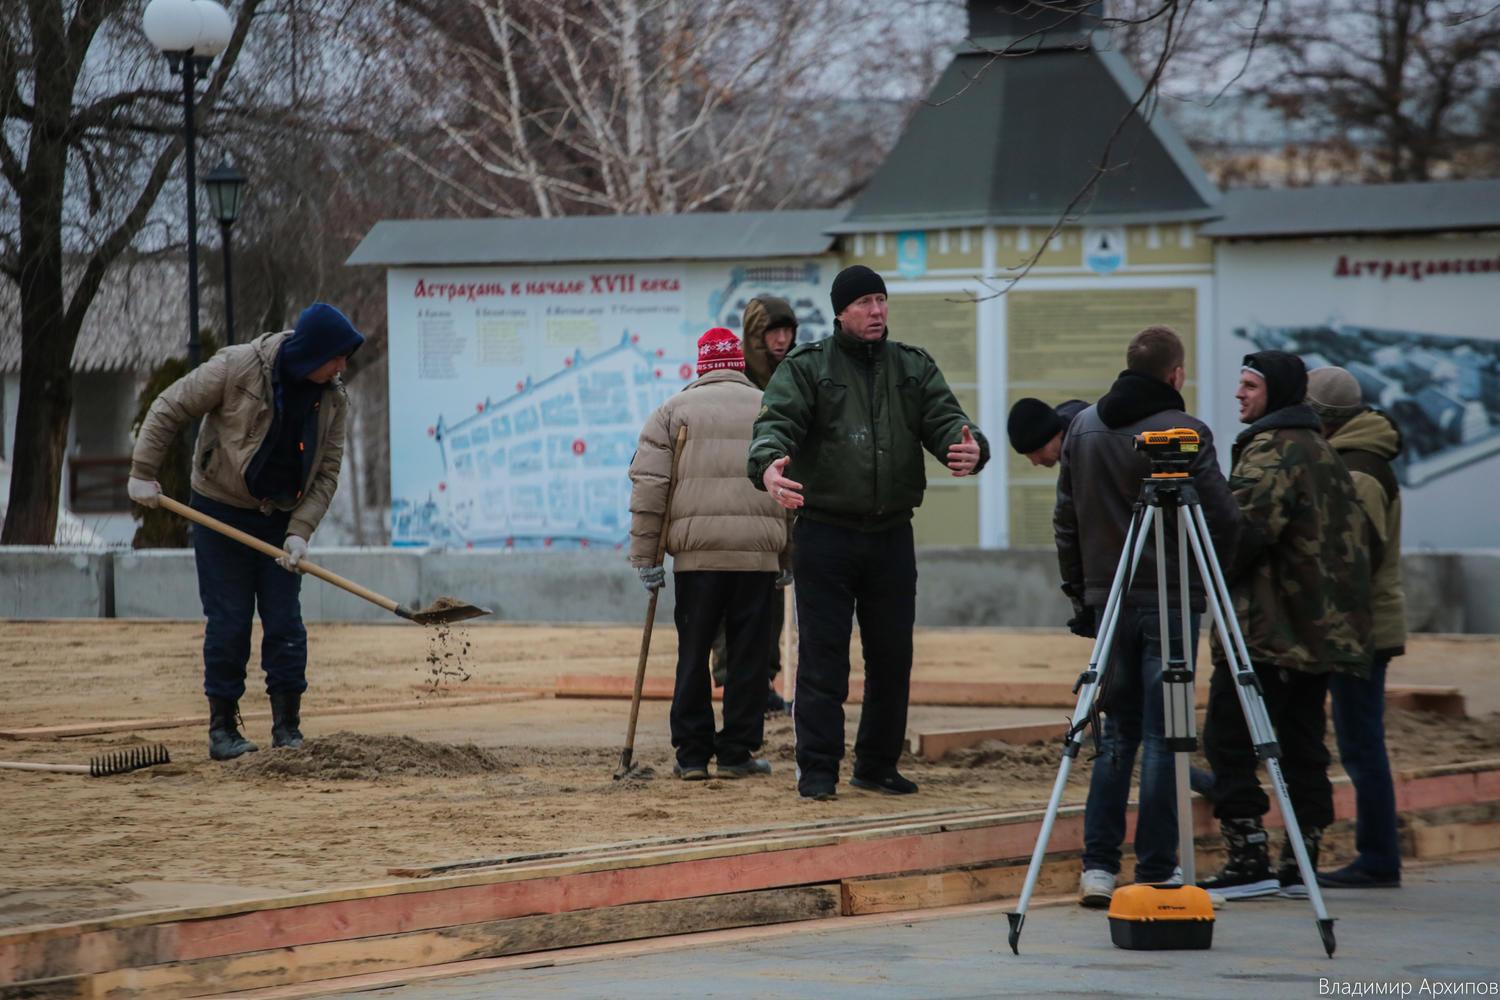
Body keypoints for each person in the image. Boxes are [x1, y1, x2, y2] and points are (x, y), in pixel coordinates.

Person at [747, 264, 989, 801]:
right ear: (840, 311)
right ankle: (817, 772)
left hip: (890, 535)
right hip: (825, 534)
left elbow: (948, 420)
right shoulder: (809, 367)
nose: (877, 311)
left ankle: (877, 765)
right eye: (865, 303)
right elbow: (775, 423)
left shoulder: (912, 366)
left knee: (891, 654)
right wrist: (767, 464)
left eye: (881, 301)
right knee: (824, 657)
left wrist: (972, 447)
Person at [127, 303, 364, 761]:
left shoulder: (333, 399)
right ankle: (222, 729)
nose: (343, 367)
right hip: (220, 511)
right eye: (338, 357)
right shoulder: (237, 367)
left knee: (285, 624)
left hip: (280, 517)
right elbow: (169, 405)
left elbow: (327, 473)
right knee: (230, 621)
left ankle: (287, 729)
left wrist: (299, 532)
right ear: (314, 352)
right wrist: (142, 470)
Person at [1055, 325, 1240, 907]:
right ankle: (1158, 868)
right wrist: (1222, 576)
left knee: (1115, 737)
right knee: (1165, 737)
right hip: (1170, 601)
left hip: (1109, 602)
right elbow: (1223, 518)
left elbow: (1066, 519)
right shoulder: (1183, 434)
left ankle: (1099, 868)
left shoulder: (1082, 428)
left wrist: (1082, 595)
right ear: (1175, 374)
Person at [1198, 350, 1372, 900]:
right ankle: (1303, 858)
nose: (1239, 394)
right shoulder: (1321, 448)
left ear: (1276, 392)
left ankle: (1247, 856)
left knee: (1228, 740)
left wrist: (1201, 558)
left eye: (1249, 385)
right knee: (1302, 745)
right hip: (1316, 630)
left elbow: (1242, 535)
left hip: (1265, 633)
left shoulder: (1272, 449)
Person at [628, 328, 790, 781]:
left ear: (701, 365)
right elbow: (795, 483)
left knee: (693, 652)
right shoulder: (769, 408)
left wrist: (646, 559)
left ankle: (693, 756)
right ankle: (736, 753)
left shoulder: (672, 411)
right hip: (756, 557)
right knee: (748, 657)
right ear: (737, 363)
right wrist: (788, 557)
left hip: (697, 561)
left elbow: (650, 489)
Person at [1306, 366, 1406, 889]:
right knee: (1357, 739)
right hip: (1355, 626)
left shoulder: (1360, 470)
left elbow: (1353, 559)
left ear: (1322, 418)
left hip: (1361, 630)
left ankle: (1377, 859)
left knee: (1361, 744)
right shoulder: (1351, 459)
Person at [710, 296, 800, 712]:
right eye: (772, 332)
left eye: (788, 331)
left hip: (780, 506)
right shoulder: (734, 381)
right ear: (754, 335)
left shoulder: (797, 377)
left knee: (772, 602)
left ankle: (762, 682)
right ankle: (733, 682)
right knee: (732, 605)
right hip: (732, 507)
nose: (782, 340)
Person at [1008, 396, 1088, 468]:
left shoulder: (1090, 448)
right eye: (1028, 456)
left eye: (1040, 451)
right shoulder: (1064, 424)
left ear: (1059, 433)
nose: (1035, 462)